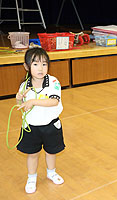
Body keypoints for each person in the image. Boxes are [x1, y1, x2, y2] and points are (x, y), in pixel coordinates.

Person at [16, 47, 65, 193]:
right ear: (26, 66)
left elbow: (54, 102)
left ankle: (51, 172)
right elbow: (22, 107)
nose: (41, 68)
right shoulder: (24, 85)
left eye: (44, 64)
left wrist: (33, 102)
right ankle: (32, 177)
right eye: (35, 64)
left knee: (51, 152)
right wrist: (19, 99)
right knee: (33, 154)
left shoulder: (54, 81)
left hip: (50, 125)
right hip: (31, 127)